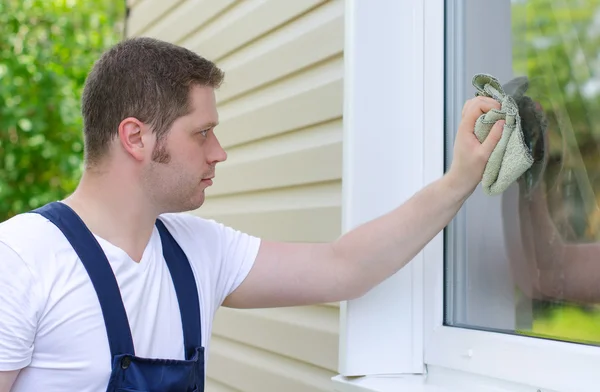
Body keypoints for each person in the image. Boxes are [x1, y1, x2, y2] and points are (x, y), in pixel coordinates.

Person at [0, 37, 504, 392]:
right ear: (136, 138)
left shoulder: (198, 251)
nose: (219, 152)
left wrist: (458, 179)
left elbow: (345, 267)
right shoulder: (21, 259)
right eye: (202, 132)